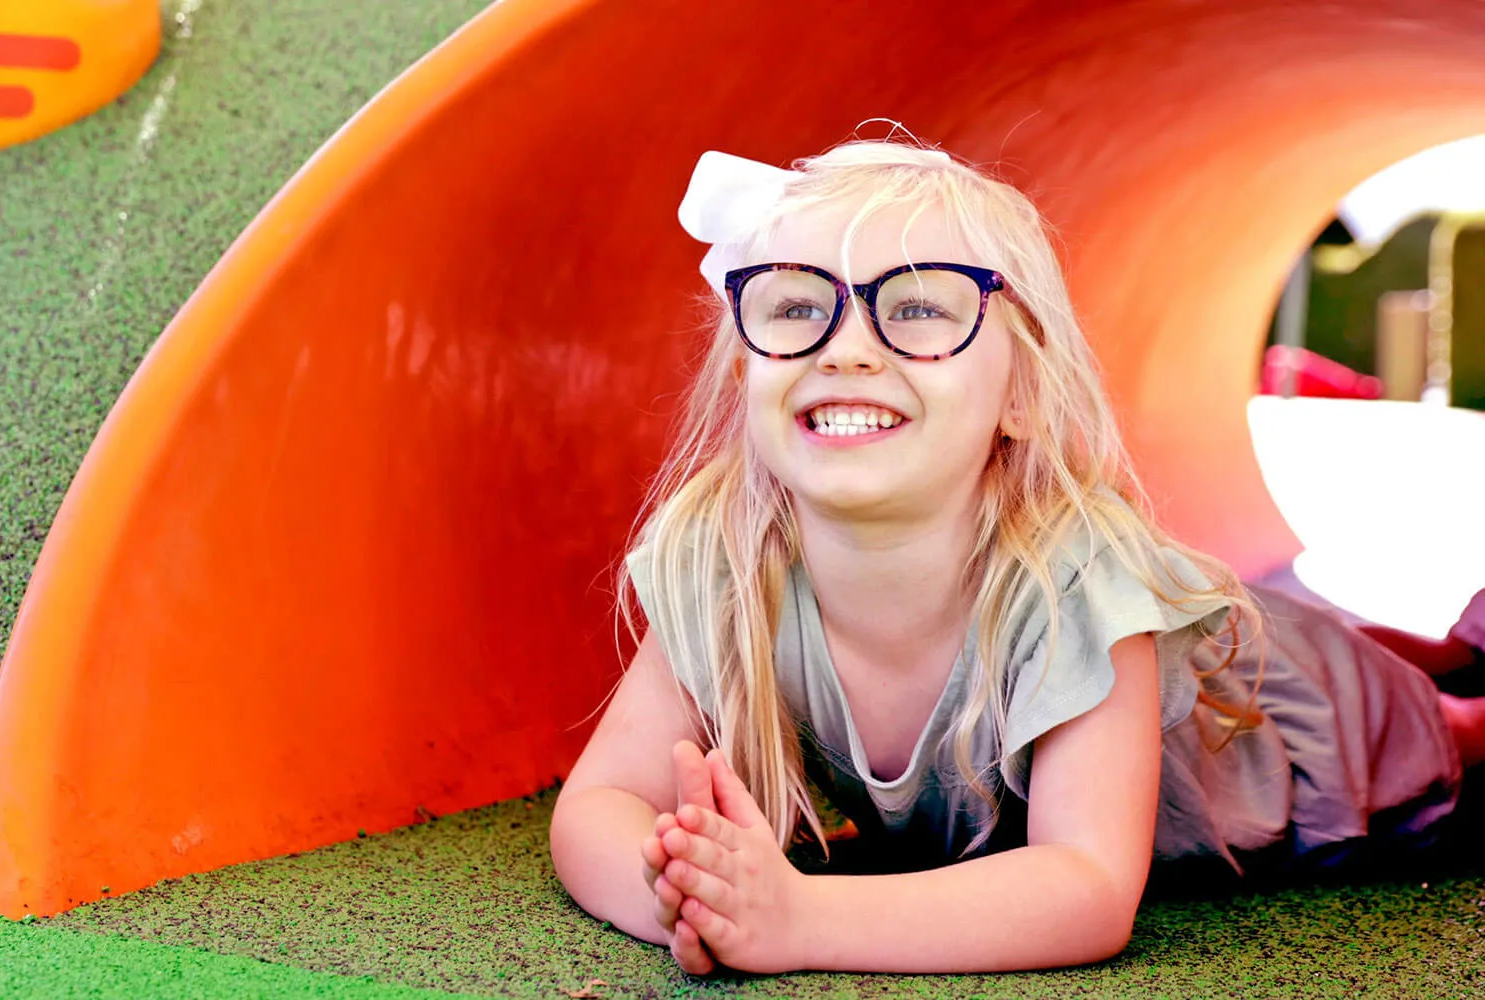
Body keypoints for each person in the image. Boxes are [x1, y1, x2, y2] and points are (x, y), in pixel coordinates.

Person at [547, 140, 1485, 977]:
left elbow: (1083, 885)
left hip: (1288, 732)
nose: (848, 348)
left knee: (1448, 729)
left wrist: (801, 918)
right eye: (797, 307)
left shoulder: (1074, 575)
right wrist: (691, 900)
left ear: (1022, 397)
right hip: (1235, 650)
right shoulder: (723, 559)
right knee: (1357, 650)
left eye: (917, 308)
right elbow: (598, 809)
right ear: (743, 368)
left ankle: (1450, 669)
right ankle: (1442, 647)